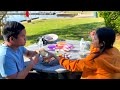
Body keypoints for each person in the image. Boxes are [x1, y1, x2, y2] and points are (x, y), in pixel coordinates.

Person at [47, 27, 120, 79]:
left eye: (95, 39)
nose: (92, 40)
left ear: (102, 43)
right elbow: (96, 52)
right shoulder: (115, 51)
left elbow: (73, 66)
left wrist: (57, 56)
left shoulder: (96, 61)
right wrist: (94, 38)